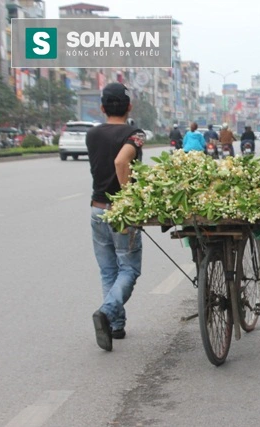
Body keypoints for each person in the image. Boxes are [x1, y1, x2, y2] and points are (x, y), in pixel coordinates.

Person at [86, 82, 145, 352]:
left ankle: (116, 326)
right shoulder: (134, 134)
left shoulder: (92, 134)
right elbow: (121, 162)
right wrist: (127, 199)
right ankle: (107, 312)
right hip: (119, 212)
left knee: (108, 270)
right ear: (129, 107)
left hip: (97, 209)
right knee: (129, 269)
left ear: (102, 108)